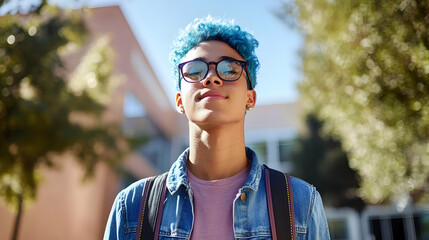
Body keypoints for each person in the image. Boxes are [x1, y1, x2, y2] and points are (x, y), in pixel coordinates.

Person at [104, 16, 331, 240]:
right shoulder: (132, 207)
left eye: (230, 69)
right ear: (180, 101)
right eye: (194, 71)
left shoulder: (300, 202)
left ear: (250, 98)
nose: (211, 78)